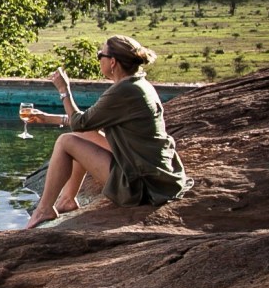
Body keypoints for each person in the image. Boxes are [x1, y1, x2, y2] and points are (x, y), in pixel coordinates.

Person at [20, 34, 189, 228]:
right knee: (80, 135)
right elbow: (89, 124)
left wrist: (64, 90)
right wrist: (48, 118)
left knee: (65, 142)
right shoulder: (136, 84)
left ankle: (44, 209)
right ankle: (67, 199)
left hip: (141, 185)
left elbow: (80, 122)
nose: (99, 58)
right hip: (153, 174)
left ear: (113, 62)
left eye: (101, 54)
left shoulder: (123, 91)